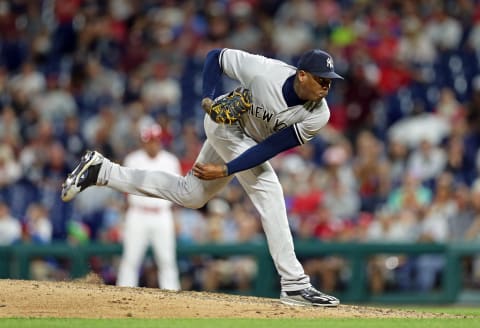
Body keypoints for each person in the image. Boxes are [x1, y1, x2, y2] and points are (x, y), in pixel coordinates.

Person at [61, 48, 343, 307]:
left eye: (330, 81)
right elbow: (215, 57)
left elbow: (269, 148)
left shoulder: (319, 115)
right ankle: (294, 283)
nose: (326, 86)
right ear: (302, 75)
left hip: (246, 142)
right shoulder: (264, 71)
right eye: (321, 80)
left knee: (191, 194)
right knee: (269, 189)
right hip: (224, 124)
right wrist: (209, 96)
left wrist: (226, 169)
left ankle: (103, 171)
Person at [116, 124, 181, 290]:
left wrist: (176, 218)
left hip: (162, 214)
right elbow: (125, 193)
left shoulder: (170, 161)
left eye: (155, 141)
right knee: (130, 260)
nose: (152, 144)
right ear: (143, 142)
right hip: (137, 214)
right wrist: (122, 219)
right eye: (148, 141)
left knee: (167, 260)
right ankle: (122, 297)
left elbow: (178, 193)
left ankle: (173, 300)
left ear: (160, 141)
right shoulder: (132, 160)